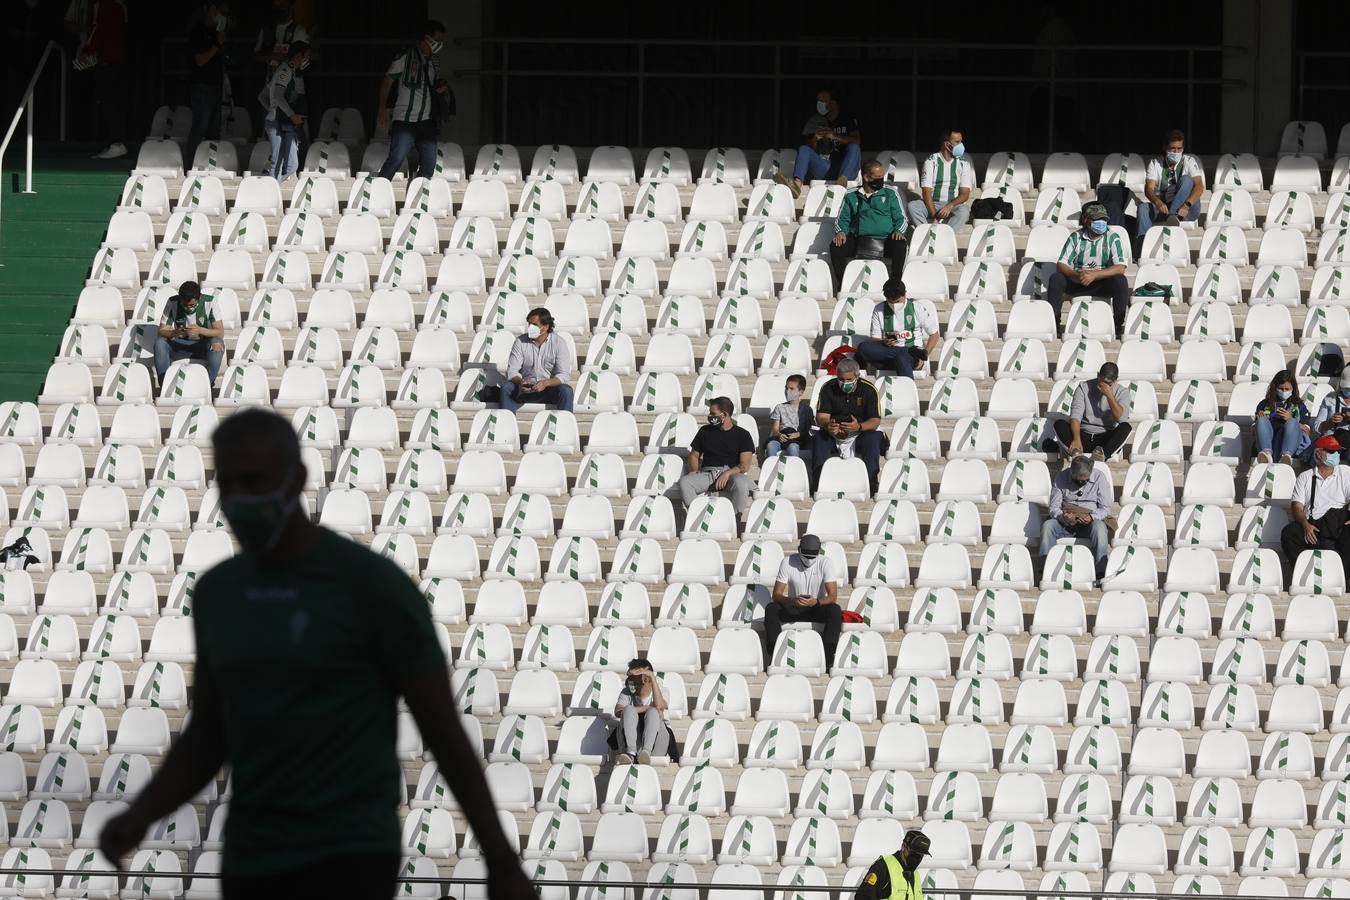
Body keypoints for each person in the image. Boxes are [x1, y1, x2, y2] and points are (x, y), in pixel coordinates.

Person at [97, 409, 538, 900]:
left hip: (349, 853)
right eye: (228, 482)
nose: (241, 498)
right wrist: (140, 814)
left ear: (298, 479)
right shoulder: (219, 594)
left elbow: (442, 728)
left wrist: (500, 859)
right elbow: (208, 735)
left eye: (256, 480)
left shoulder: (372, 587)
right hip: (252, 855)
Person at [376, 20, 448, 181]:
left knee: (429, 165)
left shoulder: (434, 62)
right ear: (427, 38)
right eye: (438, 39)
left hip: (427, 121)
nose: (440, 44)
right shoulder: (405, 56)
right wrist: (382, 110)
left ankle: (416, 199)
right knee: (396, 159)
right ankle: (376, 195)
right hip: (404, 120)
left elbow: (432, 85)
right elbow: (387, 81)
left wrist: (440, 90)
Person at [1048, 202, 1130, 337]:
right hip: (1078, 281)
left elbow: (1120, 267)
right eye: (1097, 219)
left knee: (1120, 280)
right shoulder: (1075, 237)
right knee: (1056, 278)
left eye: (1104, 219)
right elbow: (1061, 264)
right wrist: (1076, 274)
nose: (1102, 223)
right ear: (1086, 220)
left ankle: (1117, 325)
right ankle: (1054, 324)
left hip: (1102, 282)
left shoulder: (1112, 237)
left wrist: (1095, 275)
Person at [763, 534, 843, 674]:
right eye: (806, 555)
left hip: (816, 607)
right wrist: (793, 601)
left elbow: (832, 596)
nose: (809, 560)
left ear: (819, 552)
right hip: (795, 607)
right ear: (799, 549)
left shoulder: (826, 563)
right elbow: (776, 594)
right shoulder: (787, 562)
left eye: (813, 556)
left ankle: (828, 656)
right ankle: (774, 652)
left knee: (835, 610)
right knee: (771, 608)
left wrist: (816, 602)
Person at [1281, 434, 1350, 589]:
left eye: (1337, 451)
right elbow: (1297, 506)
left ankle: (1341, 577)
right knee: (1289, 533)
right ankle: (1305, 574)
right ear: (1319, 454)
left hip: (1337, 523)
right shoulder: (1305, 477)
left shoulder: (1345, 473)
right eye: (1332, 452)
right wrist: (1305, 525)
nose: (1337, 455)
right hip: (1314, 525)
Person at [830, 159, 909, 292]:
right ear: (866, 177)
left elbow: (902, 218)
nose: (881, 180)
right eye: (877, 177)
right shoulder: (851, 194)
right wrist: (841, 232)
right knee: (836, 246)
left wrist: (899, 231)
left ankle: (895, 284)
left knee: (900, 244)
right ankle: (843, 284)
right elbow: (841, 219)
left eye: (882, 177)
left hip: (886, 240)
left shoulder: (890, 193)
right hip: (858, 240)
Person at [812, 357, 884, 495]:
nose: (844, 383)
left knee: (873, 438)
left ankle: (871, 484)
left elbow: (875, 420)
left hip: (861, 432)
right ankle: (817, 484)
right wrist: (829, 426)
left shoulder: (869, 390)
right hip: (834, 432)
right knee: (819, 438)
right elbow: (821, 417)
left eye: (849, 379)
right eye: (841, 379)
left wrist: (859, 427)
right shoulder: (828, 387)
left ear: (857, 376)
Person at [773, 87, 862, 198]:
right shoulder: (815, 121)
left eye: (823, 101)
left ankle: (842, 182)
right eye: (819, 101)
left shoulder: (847, 119)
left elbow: (857, 140)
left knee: (854, 147)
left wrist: (835, 136)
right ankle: (796, 184)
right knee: (804, 148)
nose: (820, 104)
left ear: (833, 103)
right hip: (825, 166)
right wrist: (815, 138)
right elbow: (808, 149)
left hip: (846, 168)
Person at [678, 398, 756, 520]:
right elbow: (694, 455)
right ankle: (699, 517)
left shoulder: (743, 434)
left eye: (713, 413)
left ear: (724, 414)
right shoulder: (705, 431)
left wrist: (727, 473)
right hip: (708, 474)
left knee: (741, 483)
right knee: (685, 482)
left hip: (731, 474)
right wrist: (694, 469)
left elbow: (744, 466)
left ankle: (734, 519)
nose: (709, 416)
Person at [1041, 454, 1112, 581]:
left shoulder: (1100, 477)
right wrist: (1063, 517)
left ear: (1090, 473)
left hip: (1090, 521)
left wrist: (1092, 517)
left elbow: (1105, 508)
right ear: (1071, 472)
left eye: (1085, 480)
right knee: (1048, 526)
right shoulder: (1061, 477)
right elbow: (1053, 508)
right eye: (1077, 479)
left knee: (1100, 528)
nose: (1081, 482)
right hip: (1066, 521)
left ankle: (1101, 572)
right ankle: (1046, 569)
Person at [853, 277, 940, 379]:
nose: (894, 305)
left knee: (902, 358)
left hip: (910, 358)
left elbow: (934, 334)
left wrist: (923, 358)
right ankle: (907, 351)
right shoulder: (879, 309)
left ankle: (908, 390)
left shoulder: (916, 307)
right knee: (863, 348)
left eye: (897, 301)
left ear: (905, 294)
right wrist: (883, 342)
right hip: (888, 353)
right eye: (891, 302)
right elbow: (874, 338)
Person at [1045, 363, 1132, 462]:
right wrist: (1077, 439)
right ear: (1098, 375)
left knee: (1126, 427)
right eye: (1102, 381)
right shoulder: (1083, 387)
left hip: (1104, 436)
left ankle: (1102, 455)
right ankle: (1076, 451)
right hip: (1083, 435)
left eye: (1108, 383)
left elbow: (1122, 418)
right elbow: (1075, 416)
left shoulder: (1122, 392)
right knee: (1060, 424)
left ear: (1115, 380)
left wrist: (1110, 396)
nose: (1104, 385)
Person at [80, 0, 130, 161]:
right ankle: (116, 143)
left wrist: (87, 51)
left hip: (110, 63)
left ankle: (117, 144)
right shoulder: (113, 6)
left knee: (110, 104)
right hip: (113, 62)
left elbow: (100, 33)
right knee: (111, 103)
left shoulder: (108, 6)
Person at [153, 281, 225, 387]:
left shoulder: (210, 302)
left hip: (203, 344)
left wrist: (200, 330)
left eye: (192, 305)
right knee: (160, 343)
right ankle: (165, 386)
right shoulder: (172, 302)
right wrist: (175, 332)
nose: (188, 307)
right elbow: (161, 331)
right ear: (180, 298)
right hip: (180, 344)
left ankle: (207, 385)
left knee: (217, 344)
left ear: (199, 298)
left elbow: (220, 332)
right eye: (184, 304)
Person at [502, 308, 573, 414]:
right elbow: (512, 371)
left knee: (566, 390)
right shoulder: (520, 342)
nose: (530, 327)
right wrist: (521, 382)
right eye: (529, 324)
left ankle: (565, 427)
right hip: (524, 389)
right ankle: (505, 426)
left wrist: (546, 383)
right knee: (506, 388)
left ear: (546, 327)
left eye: (534, 324)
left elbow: (564, 374)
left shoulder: (559, 343)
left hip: (548, 390)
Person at [258, 41, 310, 182]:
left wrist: (273, 109)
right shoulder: (285, 71)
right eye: (306, 56)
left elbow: (262, 96)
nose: (307, 60)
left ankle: (272, 187)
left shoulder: (286, 70)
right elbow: (277, 96)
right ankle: (269, 191)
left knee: (292, 165)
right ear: (298, 56)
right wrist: (289, 114)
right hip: (276, 122)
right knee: (277, 163)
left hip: (281, 121)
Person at [1137, 129, 1205, 236]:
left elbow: (1200, 186)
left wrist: (1187, 205)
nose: (1176, 152)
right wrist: (1157, 202)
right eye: (1173, 149)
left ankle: (1173, 216)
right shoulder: (1155, 164)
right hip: (1165, 207)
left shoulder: (1189, 161)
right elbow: (1149, 189)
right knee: (1143, 208)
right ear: (1165, 148)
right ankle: (1143, 244)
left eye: (1179, 149)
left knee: (1186, 179)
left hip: (1187, 208)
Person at [186, 3, 232, 160]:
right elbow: (200, 60)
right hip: (202, 87)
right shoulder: (198, 32)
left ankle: (211, 165)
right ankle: (190, 164)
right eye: (216, 11)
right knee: (200, 126)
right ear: (208, 10)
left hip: (216, 86)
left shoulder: (217, 33)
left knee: (214, 130)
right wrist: (217, 45)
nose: (219, 15)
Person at [908, 129, 974, 230]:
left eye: (961, 141)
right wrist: (935, 216)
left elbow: (965, 194)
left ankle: (945, 236)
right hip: (932, 203)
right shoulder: (931, 161)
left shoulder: (964, 163)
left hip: (953, 205)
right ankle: (926, 232)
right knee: (913, 206)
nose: (961, 145)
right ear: (947, 145)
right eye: (957, 142)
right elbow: (926, 192)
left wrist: (950, 206)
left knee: (964, 211)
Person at [613, 658, 669, 765]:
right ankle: (630, 753)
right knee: (628, 709)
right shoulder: (626, 692)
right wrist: (644, 708)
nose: (629, 680)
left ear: (645, 679)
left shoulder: (661, 691)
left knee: (653, 712)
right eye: (629, 676)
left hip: (657, 742)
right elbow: (618, 711)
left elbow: (659, 707)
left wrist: (652, 676)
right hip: (635, 740)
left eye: (633, 676)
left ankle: (646, 752)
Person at [1253, 369, 1312, 466]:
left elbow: (1307, 430)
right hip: (1270, 440)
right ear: (1275, 387)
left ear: (1293, 389)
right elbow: (1253, 431)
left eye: (1287, 389)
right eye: (1281, 389)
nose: (1284, 391)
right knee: (1262, 420)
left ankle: (1286, 455)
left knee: (1292, 422)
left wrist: (1290, 419)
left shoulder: (1299, 405)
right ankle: (1266, 454)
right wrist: (1259, 421)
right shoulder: (1264, 404)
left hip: (1290, 441)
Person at [854, 828, 931, 900]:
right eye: (914, 853)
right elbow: (862, 897)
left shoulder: (915, 873)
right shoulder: (883, 866)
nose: (918, 858)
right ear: (903, 846)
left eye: (921, 855)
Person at [253, 0, 309, 80]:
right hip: (269, 84)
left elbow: (304, 62)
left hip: (293, 86)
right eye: (276, 6)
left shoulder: (299, 30)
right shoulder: (266, 30)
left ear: (290, 7)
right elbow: (256, 56)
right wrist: (273, 55)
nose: (279, 9)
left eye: (282, 5)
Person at [765, 374, 813, 458]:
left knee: (793, 447)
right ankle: (770, 469)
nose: (787, 391)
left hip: (797, 439)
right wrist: (779, 434)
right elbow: (775, 429)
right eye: (786, 388)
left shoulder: (807, 409)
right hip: (781, 437)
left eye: (792, 389)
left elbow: (808, 429)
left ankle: (794, 470)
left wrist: (798, 434)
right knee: (771, 445)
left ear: (801, 392)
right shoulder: (779, 407)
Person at [1309, 370, 1350, 449]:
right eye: (1346, 388)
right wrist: (1331, 422)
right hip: (1332, 442)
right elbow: (1316, 427)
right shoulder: (1330, 398)